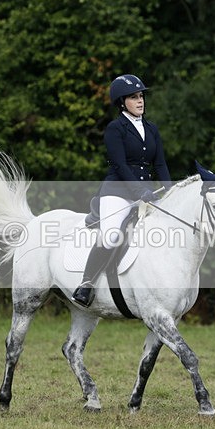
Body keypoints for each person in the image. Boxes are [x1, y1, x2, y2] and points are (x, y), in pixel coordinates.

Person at [72, 74, 172, 307]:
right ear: (122, 102)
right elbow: (120, 165)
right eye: (134, 97)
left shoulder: (151, 128)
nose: (140, 101)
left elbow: (160, 164)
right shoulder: (115, 128)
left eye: (141, 96)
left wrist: (170, 190)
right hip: (117, 192)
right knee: (111, 235)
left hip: (146, 193)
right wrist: (139, 191)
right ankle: (86, 284)